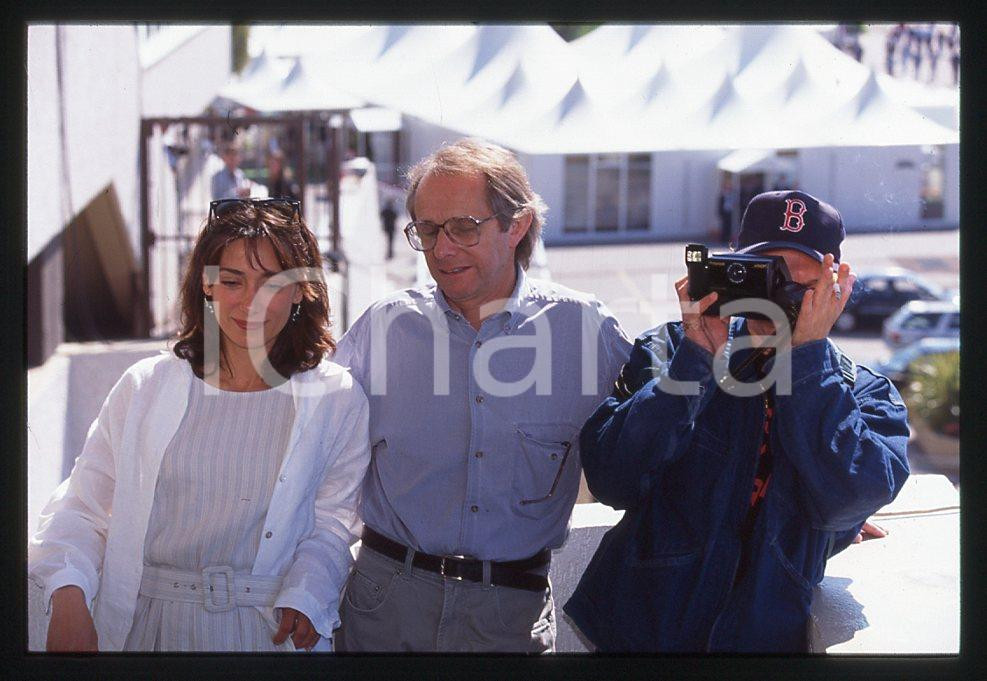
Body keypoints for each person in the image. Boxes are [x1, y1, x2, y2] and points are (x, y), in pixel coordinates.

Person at [564, 190, 910, 652]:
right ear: (732, 272)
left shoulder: (862, 391)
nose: (779, 301)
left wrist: (808, 362)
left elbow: (850, 497)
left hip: (758, 642)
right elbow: (612, 480)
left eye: (800, 288)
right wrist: (695, 359)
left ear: (836, 287)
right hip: (640, 634)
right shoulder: (670, 350)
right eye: (766, 278)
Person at [28, 199, 371, 652]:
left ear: (302, 290)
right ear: (207, 287)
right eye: (233, 281)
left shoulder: (336, 396)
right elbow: (81, 507)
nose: (252, 301)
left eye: (274, 282)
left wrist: (308, 593)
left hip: (267, 634)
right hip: (145, 629)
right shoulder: (145, 386)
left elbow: (335, 522)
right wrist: (68, 594)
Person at [330, 138, 631, 652]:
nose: (441, 250)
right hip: (383, 609)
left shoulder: (587, 332)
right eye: (427, 229)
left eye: (463, 228)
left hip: (510, 621)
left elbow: (656, 445)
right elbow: (312, 456)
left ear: (516, 225)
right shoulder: (383, 329)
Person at [717, 177, 735, 245]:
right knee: (724, 225)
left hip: (730, 211)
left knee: (729, 225)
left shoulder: (732, 194)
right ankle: (723, 238)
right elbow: (720, 204)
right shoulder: (723, 194)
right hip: (724, 211)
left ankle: (727, 238)